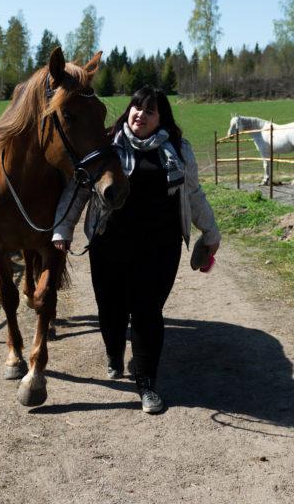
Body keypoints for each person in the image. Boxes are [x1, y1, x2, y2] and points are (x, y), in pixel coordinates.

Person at [52, 86, 220, 414]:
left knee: (147, 312)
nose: (141, 115)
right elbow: (79, 189)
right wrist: (63, 227)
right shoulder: (107, 145)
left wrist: (210, 232)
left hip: (160, 248)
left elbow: (195, 195)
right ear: (129, 110)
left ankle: (146, 383)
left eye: (150, 111)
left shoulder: (179, 150)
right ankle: (114, 351)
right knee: (111, 310)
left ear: (162, 118)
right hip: (110, 244)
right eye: (137, 108)